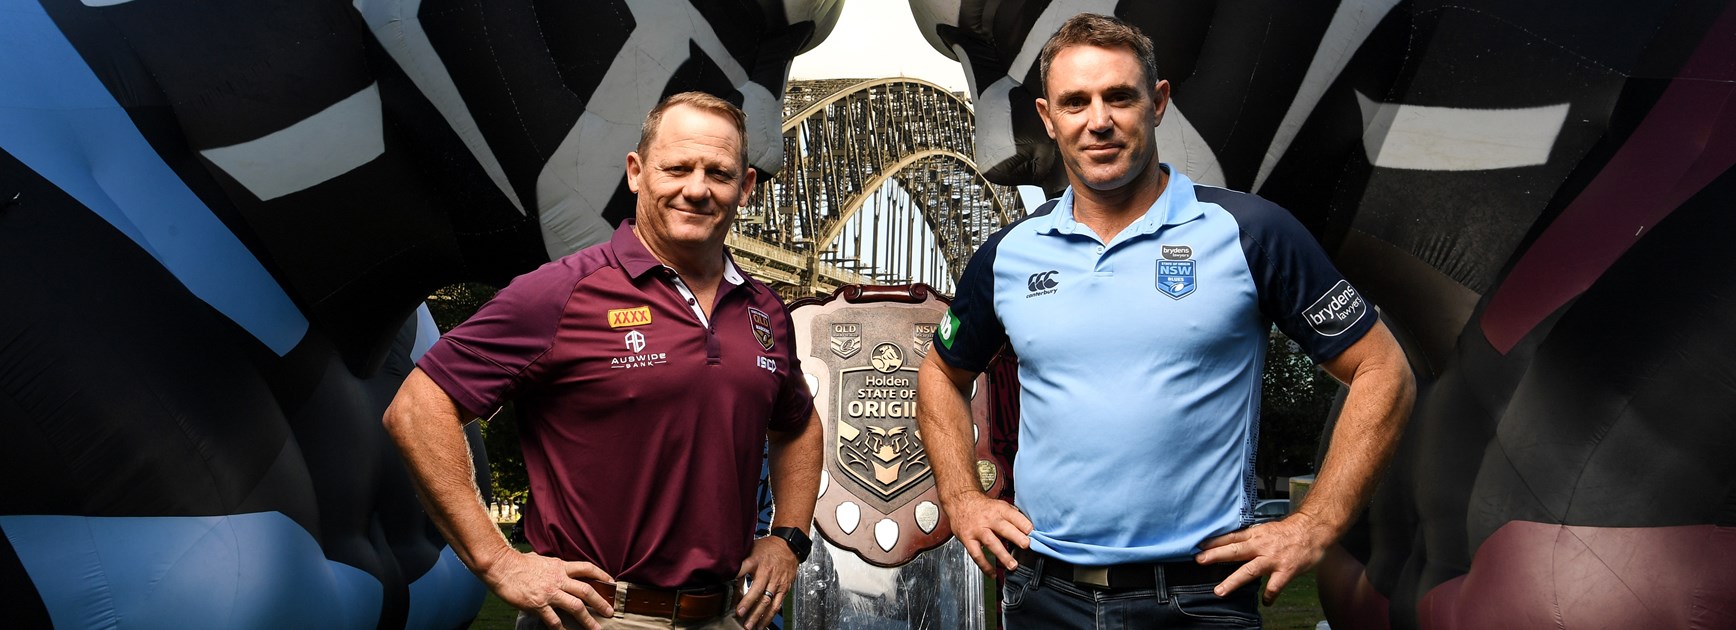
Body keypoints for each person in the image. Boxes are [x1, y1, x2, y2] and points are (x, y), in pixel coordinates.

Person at [915, 13, 1415, 629]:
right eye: (1076, 102)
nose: (1098, 120)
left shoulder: (1251, 232)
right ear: (1048, 118)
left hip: (1197, 598)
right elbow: (941, 374)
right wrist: (961, 498)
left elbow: (1382, 368)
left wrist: (1317, 523)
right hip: (1042, 596)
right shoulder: (1008, 254)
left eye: (1119, 97)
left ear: (1158, 103)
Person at [384, 92, 822, 630]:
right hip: (599, 616)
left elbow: (798, 425)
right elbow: (417, 407)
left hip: (726, 614)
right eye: (677, 168)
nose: (697, 189)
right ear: (636, 173)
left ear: (746, 187)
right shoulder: (563, 292)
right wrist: (498, 561)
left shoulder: (764, 311)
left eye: (719, 173)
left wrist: (788, 537)